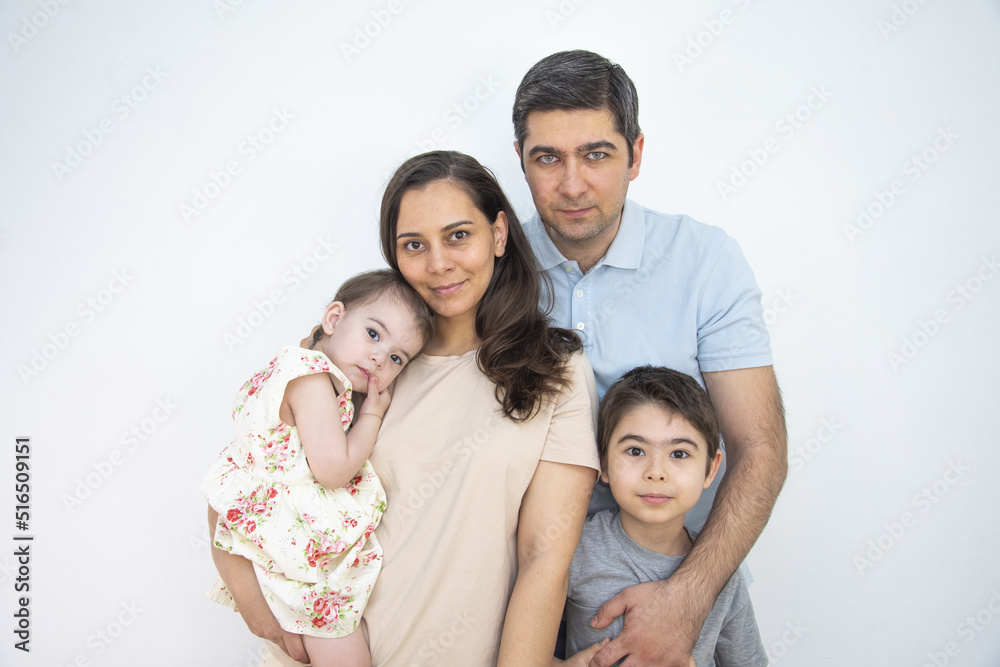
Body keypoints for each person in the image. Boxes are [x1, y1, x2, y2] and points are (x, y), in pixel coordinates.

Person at [217, 150, 603, 666]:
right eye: (414, 245)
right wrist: (248, 595)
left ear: (499, 234)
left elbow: (543, 560)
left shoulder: (555, 370)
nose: (438, 262)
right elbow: (241, 478)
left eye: (458, 235)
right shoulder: (356, 359)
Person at [513, 50, 788, 666]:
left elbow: (760, 449)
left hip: (684, 578)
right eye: (547, 158)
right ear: (521, 161)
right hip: (519, 589)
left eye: (597, 154)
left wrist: (685, 601)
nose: (573, 184)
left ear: (636, 155)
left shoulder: (706, 261)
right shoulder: (493, 270)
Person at [201, 270, 433, 667]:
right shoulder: (312, 380)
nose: (380, 357)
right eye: (373, 334)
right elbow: (333, 469)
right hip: (291, 550)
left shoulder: (289, 364)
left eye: (397, 358)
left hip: (264, 537)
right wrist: (373, 415)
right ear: (334, 319)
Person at [558, 366, 767, 667]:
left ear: (711, 469)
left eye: (679, 454)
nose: (656, 472)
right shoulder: (575, 549)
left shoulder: (722, 574)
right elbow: (513, 650)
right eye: (635, 451)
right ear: (602, 461)